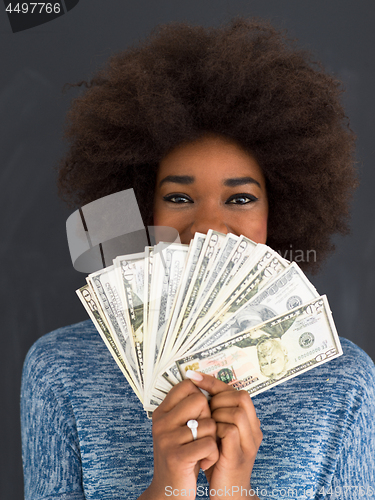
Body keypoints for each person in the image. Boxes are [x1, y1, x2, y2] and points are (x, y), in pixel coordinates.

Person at [21, 18, 375, 500]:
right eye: (181, 198)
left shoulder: (346, 383)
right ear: (146, 209)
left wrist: (234, 492)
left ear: (282, 212)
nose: (208, 228)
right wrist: (168, 486)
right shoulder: (58, 369)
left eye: (241, 198)